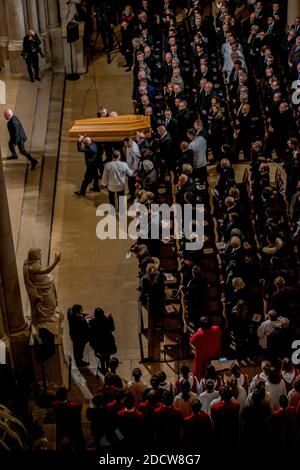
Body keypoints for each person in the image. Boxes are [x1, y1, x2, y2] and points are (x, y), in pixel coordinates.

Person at [89, 308, 117, 374]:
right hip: (107, 341)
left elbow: (91, 332)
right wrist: (111, 319)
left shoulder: (93, 322)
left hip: (98, 343)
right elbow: (112, 328)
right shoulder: (106, 320)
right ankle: (107, 367)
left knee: (100, 355)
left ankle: (103, 368)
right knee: (107, 355)